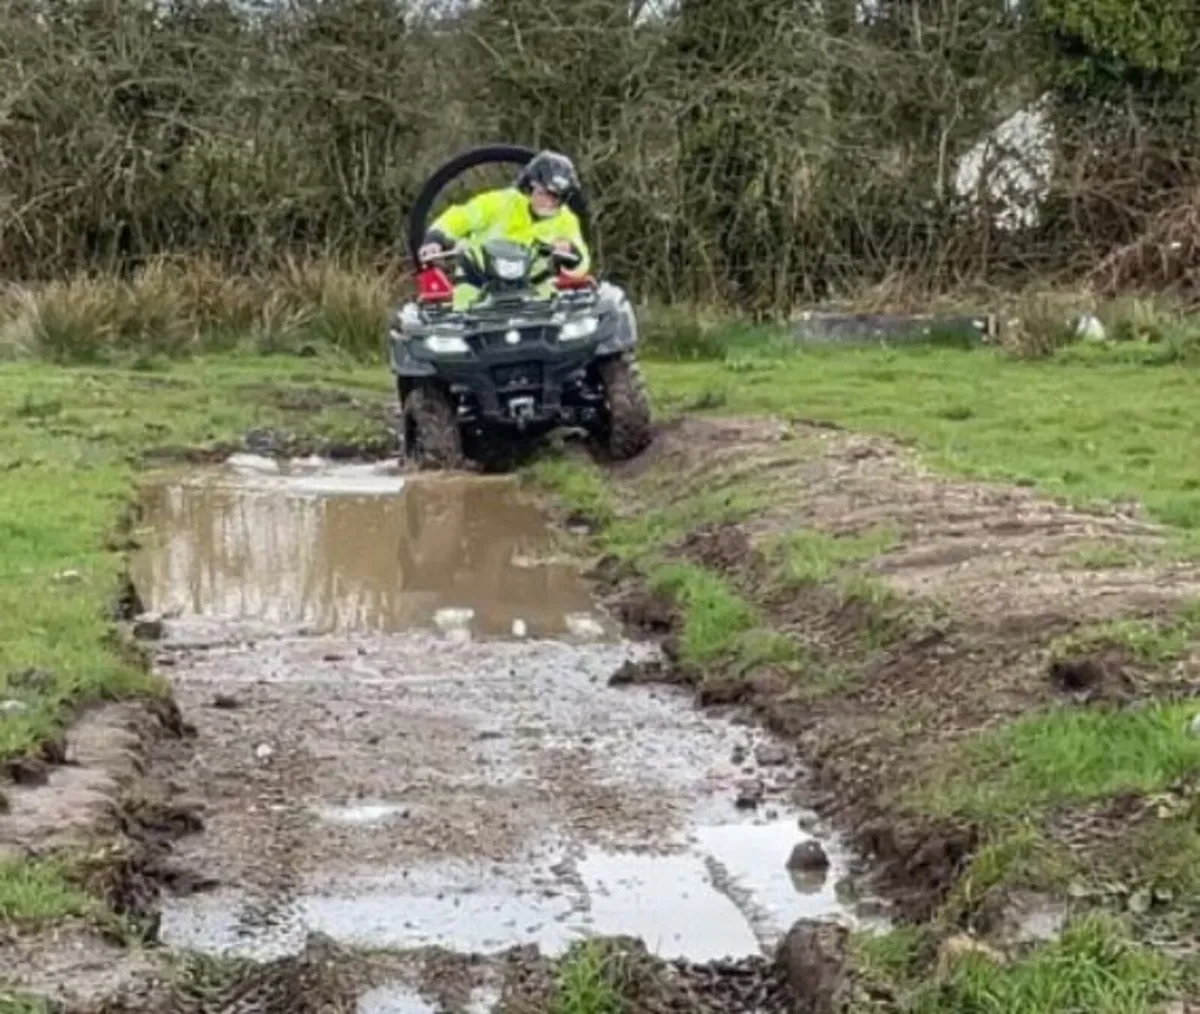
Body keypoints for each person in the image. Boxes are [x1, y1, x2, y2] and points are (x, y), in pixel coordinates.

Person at [418, 150, 591, 308]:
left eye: (555, 198)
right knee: (456, 321)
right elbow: (460, 217)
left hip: (534, 292)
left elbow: (582, 263)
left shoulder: (566, 220)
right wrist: (435, 238)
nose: (548, 202)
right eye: (543, 193)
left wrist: (571, 252)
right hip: (477, 285)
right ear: (529, 187)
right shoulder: (499, 202)